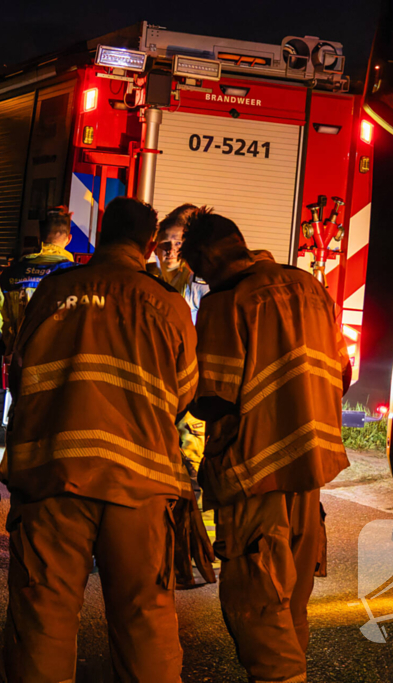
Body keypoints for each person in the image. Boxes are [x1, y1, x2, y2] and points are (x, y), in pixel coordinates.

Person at [0, 197, 200, 682]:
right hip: (140, 483)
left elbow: (19, 374)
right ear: (149, 245)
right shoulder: (168, 304)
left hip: (55, 477)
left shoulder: (55, 292)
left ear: (100, 233)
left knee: (45, 611)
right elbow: (185, 392)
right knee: (144, 617)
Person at [181, 208, 352, 683]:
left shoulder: (226, 302)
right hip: (311, 471)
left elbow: (213, 399)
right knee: (292, 606)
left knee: (259, 608)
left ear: (202, 265)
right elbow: (342, 371)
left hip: (254, 477)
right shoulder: (310, 287)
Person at [147, 204, 216, 556]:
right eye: (164, 244)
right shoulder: (147, 280)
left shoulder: (196, 284)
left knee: (191, 468)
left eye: (177, 245)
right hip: (155, 389)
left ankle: (197, 547)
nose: (170, 251)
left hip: (189, 391)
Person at [0, 206, 77, 357]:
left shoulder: (9, 276)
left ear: (39, 237)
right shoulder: (77, 276)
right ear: (69, 239)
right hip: (59, 366)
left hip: (19, 367)